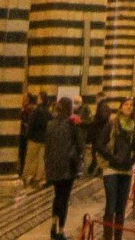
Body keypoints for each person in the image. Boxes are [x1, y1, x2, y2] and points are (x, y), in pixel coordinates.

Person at [44, 95, 85, 240]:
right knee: (64, 197)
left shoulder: (50, 124)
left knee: (57, 196)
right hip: (68, 167)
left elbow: (47, 147)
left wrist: (47, 166)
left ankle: (52, 226)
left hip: (53, 166)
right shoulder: (73, 124)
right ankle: (61, 230)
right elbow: (80, 145)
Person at [102, 96, 135, 233]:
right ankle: (107, 237)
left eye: (131, 105)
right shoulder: (112, 124)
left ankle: (118, 237)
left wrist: (132, 161)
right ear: (120, 107)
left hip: (126, 170)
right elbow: (99, 145)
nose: (129, 107)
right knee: (111, 205)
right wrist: (112, 158)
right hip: (111, 170)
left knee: (121, 208)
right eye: (126, 104)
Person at [22, 91, 49, 187]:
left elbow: (31, 124)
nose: (37, 99)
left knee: (30, 158)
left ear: (41, 99)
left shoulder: (36, 111)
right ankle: (38, 178)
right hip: (44, 139)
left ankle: (27, 177)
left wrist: (27, 135)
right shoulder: (48, 111)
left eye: (38, 98)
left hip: (34, 138)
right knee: (41, 159)